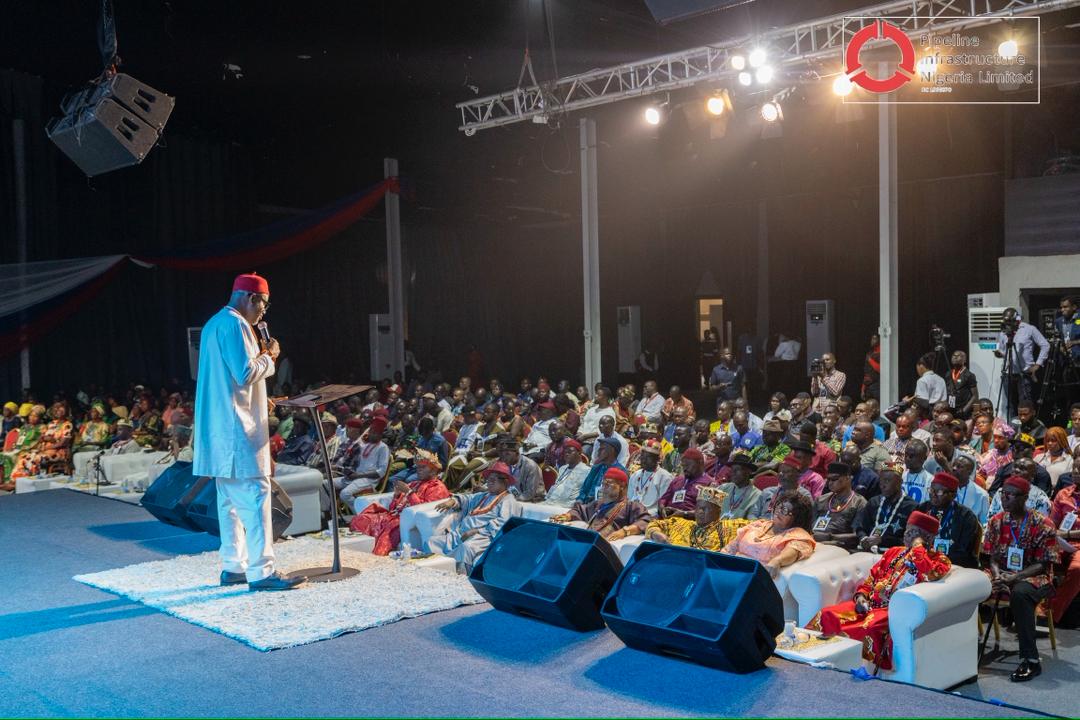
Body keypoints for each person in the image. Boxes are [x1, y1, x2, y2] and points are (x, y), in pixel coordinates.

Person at [193, 273, 302, 591]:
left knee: (228, 502)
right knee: (256, 499)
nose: (263, 314)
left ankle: (234, 566)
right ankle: (262, 572)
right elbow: (245, 372)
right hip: (237, 431)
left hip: (221, 428)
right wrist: (270, 357)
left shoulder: (214, 323)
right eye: (263, 306)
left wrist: (260, 397)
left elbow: (231, 379)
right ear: (251, 298)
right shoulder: (237, 325)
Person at [810, 511, 952, 672]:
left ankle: (858, 670)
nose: (906, 534)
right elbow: (871, 578)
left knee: (869, 627)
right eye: (907, 529)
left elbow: (930, 574)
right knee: (828, 613)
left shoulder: (939, 560)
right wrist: (861, 597)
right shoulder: (894, 552)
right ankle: (818, 659)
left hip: (892, 611)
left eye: (913, 532)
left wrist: (918, 548)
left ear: (928, 539)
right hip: (869, 604)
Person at [982, 475, 1061, 682]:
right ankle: (963, 647)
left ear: (1024, 497)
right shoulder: (996, 521)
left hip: (1035, 576)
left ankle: (1030, 660)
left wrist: (1014, 578)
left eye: (1010, 495)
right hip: (1003, 573)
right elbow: (992, 558)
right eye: (1002, 494)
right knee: (971, 585)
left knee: (1021, 593)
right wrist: (998, 576)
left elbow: (1043, 564)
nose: (1004, 499)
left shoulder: (1043, 524)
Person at [349, 450, 450, 555]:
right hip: (392, 517)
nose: (419, 470)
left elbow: (423, 510)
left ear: (433, 471)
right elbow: (394, 508)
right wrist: (396, 495)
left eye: (423, 467)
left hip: (404, 521)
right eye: (418, 467)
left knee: (389, 531)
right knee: (361, 519)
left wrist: (409, 492)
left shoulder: (438, 487)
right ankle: (358, 552)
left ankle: (377, 557)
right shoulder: (414, 483)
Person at [431, 461, 520, 574]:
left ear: (505, 482)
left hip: (483, 536)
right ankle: (435, 573)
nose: (489, 482)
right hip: (460, 533)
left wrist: (475, 531)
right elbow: (467, 499)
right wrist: (452, 501)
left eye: (493, 480)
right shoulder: (484, 496)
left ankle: (460, 578)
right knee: (432, 542)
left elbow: (504, 524)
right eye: (488, 479)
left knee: (466, 547)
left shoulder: (508, 500)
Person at [721, 490, 816, 578]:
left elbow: (792, 552)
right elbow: (730, 548)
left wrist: (777, 561)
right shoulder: (759, 524)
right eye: (778, 506)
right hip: (730, 570)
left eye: (785, 510)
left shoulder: (798, 534)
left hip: (755, 577)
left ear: (798, 517)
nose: (778, 511)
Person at [550, 467, 650, 541]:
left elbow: (645, 521)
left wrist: (625, 531)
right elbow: (580, 510)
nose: (603, 487)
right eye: (603, 483)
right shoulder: (598, 504)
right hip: (588, 541)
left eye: (609, 484)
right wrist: (567, 516)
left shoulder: (631, 506)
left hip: (608, 546)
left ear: (622, 486)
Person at [646, 486, 746, 551]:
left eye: (705, 509)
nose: (700, 511)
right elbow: (655, 524)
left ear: (718, 512)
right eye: (698, 508)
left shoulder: (730, 526)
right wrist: (657, 535)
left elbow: (759, 526)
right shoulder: (680, 523)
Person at [916, 472, 981, 568]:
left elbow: (964, 551)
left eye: (939, 492)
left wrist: (937, 558)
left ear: (953, 495)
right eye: (931, 490)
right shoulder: (923, 509)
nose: (933, 495)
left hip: (955, 565)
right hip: (923, 560)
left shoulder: (966, 516)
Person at [855, 463, 917, 552]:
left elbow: (911, 540)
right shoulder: (873, 502)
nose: (882, 485)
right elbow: (860, 527)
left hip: (894, 553)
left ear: (900, 482)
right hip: (867, 550)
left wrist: (883, 540)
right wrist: (864, 538)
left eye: (887, 481)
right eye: (881, 481)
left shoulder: (911, 507)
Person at [996, 307, 1050, 409]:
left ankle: (1026, 424)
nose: (1008, 324)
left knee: (1025, 405)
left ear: (1017, 320)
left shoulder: (1029, 329)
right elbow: (1003, 350)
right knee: (1011, 405)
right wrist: (1000, 353)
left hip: (1024, 374)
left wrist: (1038, 364)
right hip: (1008, 374)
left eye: (1010, 322)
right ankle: (1012, 424)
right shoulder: (1003, 331)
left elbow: (1045, 345)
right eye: (1006, 322)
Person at [337, 416, 391, 505]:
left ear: (380, 435)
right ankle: (327, 511)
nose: (371, 434)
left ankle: (360, 513)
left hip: (368, 480)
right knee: (326, 483)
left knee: (344, 494)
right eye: (370, 431)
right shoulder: (365, 445)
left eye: (375, 432)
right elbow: (354, 448)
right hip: (355, 477)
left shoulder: (383, 447)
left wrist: (358, 475)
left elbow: (381, 472)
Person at [812, 462, 868, 549]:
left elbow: (858, 534)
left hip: (838, 546)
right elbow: (808, 526)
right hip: (812, 542)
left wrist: (831, 537)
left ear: (848, 478)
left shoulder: (859, 503)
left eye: (834, 479)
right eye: (828, 479)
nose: (830, 483)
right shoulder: (821, 500)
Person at [750, 455, 812, 520]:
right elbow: (753, 514)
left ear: (797, 474)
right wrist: (756, 525)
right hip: (760, 526)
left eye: (786, 471)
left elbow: (804, 522)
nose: (781, 474)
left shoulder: (804, 496)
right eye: (779, 471)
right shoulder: (768, 491)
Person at [656, 447, 711, 519]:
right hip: (668, 520)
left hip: (689, 524)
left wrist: (684, 514)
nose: (685, 468)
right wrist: (662, 508)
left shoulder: (709, 484)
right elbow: (663, 499)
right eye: (683, 465)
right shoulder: (677, 480)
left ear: (700, 463)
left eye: (688, 465)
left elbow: (708, 512)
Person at [627, 438, 674, 515]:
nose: (643, 460)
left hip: (651, 516)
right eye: (642, 457)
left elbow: (663, 506)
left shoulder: (665, 477)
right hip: (632, 513)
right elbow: (629, 499)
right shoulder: (635, 475)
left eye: (648, 457)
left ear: (657, 459)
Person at [497, 434, 545, 503]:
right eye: (502, 454)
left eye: (507, 454)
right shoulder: (504, 464)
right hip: (513, 500)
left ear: (516, 452)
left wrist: (509, 499)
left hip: (534, 502)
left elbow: (529, 494)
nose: (504, 458)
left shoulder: (530, 466)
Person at [544, 439, 590, 507]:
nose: (566, 454)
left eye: (570, 452)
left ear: (579, 453)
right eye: (565, 452)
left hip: (566, 506)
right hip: (550, 502)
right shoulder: (562, 468)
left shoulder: (587, 471)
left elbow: (585, 493)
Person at [717, 455, 762, 519]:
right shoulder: (723, 488)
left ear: (749, 471)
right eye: (732, 469)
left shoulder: (757, 496)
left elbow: (752, 521)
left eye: (738, 469)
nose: (733, 472)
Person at [1034, 426, 1072, 491]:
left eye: (1053, 440)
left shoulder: (1070, 460)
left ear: (1061, 441)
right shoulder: (1038, 458)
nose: (1050, 443)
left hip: (1058, 495)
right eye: (1047, 440)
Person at [945, 350, 979, 419]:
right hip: (950, 410)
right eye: (954, 355)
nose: (955, 357)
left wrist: (964, 410)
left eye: (959, 356)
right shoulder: (948, 373)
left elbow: (975, 396)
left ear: (965, 360)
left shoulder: (969, 375)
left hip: (962, 412)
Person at [900, 439, 934, 504]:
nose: (907, 458)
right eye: (906, 454)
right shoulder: (899, 475)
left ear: (924, 458)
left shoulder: (930, 480)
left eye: (911, 456)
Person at [861, 334, 881, 401]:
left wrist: (870, 360)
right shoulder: (870, 353)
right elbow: (867, 373)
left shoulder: (883, 353)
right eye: (871, 339)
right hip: (868, 386)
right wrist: (863, 389)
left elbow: (881, 369)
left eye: (874, 338)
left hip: (877, 385)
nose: (872, 341)